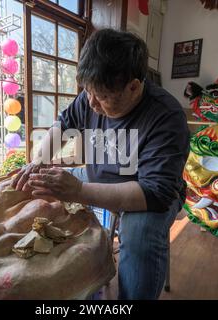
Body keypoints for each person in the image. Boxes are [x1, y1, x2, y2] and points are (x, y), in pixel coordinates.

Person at [11, 28, 190, 300]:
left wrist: (77, 191)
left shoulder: (166, 117)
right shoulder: (92, 95)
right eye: (87, 92)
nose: (91, 103)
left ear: (134, 86)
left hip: (146, 194)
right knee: (39, 179)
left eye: (103, 96)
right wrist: (37, 161)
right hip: (96, 175)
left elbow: (154, 192)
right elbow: (63, 126)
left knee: (139, 234)